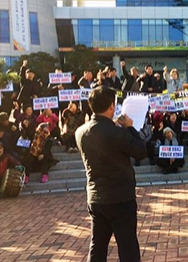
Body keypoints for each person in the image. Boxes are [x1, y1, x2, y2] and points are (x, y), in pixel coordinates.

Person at [75, 86, 147, 262]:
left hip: (96, 197)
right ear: (111, 107)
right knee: (128, 247)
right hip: (121, 197)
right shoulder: (118, 133)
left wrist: (114, 126)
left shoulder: (81, 132)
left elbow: (102, 136)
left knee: (97, 246)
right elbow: (140, 151)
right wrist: (130, 128)